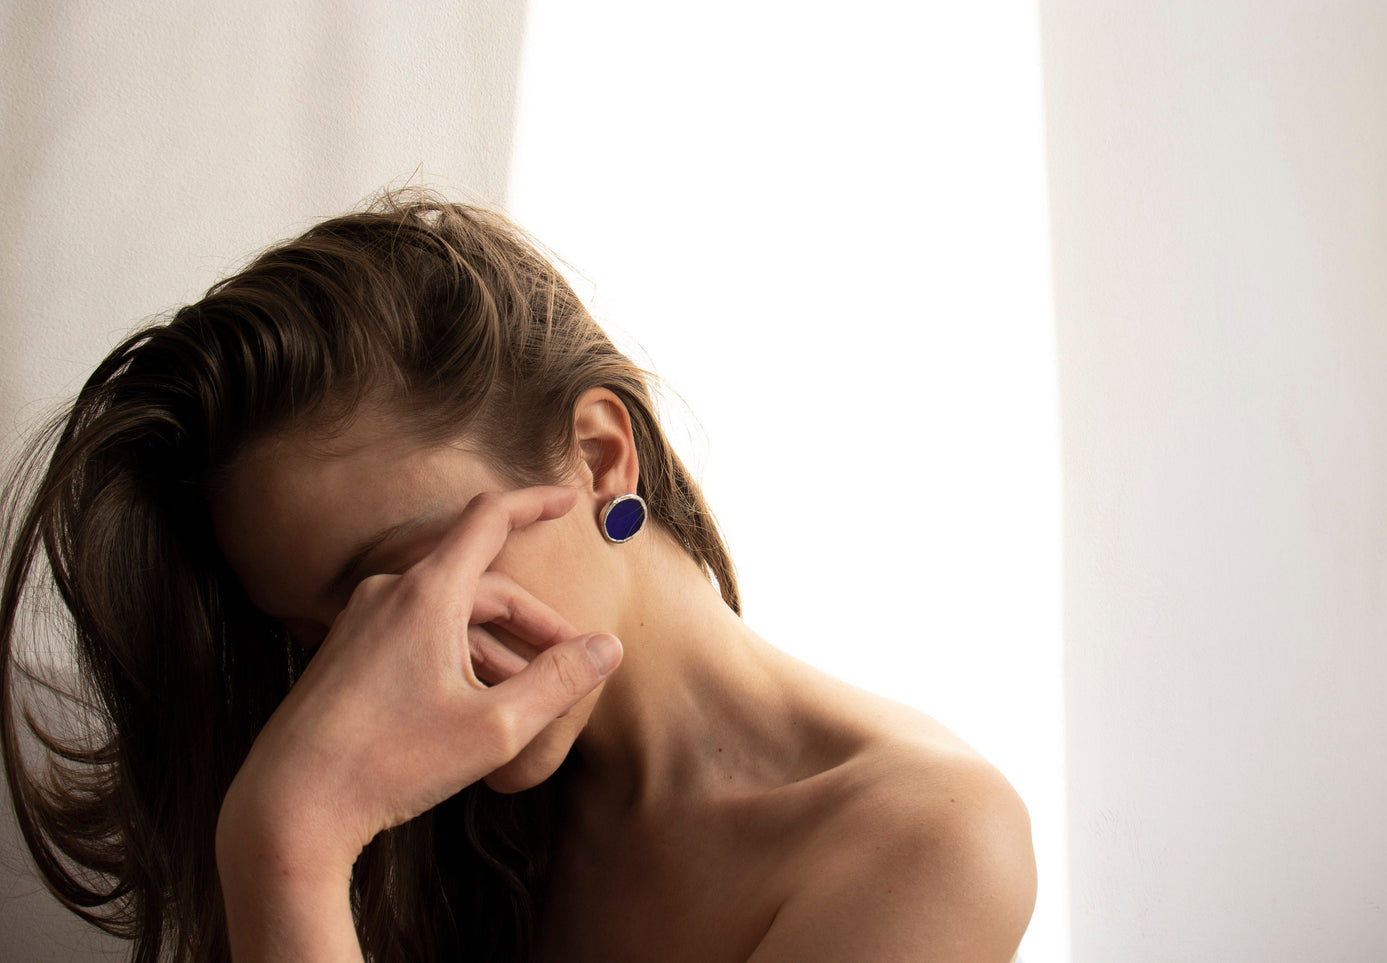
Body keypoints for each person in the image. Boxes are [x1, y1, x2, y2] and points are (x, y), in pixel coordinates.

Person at [0, 191, 1036, 962]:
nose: (371, 682)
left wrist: (289, 850)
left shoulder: (919, 841)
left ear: (596, 458)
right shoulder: (424, 829)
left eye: (408, 576)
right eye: (318, 644)